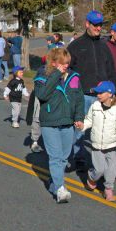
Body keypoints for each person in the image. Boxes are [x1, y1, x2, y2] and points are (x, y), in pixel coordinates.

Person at [67, 10, 116, 172]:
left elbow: (112, 70)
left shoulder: (104, 46)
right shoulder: (75, 46)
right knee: (80, 129)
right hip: (83, 95)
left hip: (103, 97)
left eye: (100, 25)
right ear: (87, 24)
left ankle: (106, 163)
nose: (98, 28)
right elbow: (67, 70)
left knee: (104, 129)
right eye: (95, 25)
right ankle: (80, 157)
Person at [34, 48, 84, 203]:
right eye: (63, 63)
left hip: (68, 123)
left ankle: (55, 184)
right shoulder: (43, 74)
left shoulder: (74, 77)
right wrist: (56, 74)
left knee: (63, 157)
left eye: (67, 63)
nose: (66, 66)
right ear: (54, 62)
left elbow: (79, 98)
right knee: (55, 157)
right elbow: (42, 95)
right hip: (50, 122)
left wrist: (79, 117)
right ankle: (61, 188)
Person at [80, 81, 116, 201]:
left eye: (101, 92)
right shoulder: (95, 106)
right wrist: (82, 126)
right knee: (99, 169)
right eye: (97, 92)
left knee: (111, 170)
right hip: (97, 145)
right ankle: (91, 177)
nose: (98, 95)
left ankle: (108, 189)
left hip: (111, 146)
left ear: (110, 94)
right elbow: (89, 120)